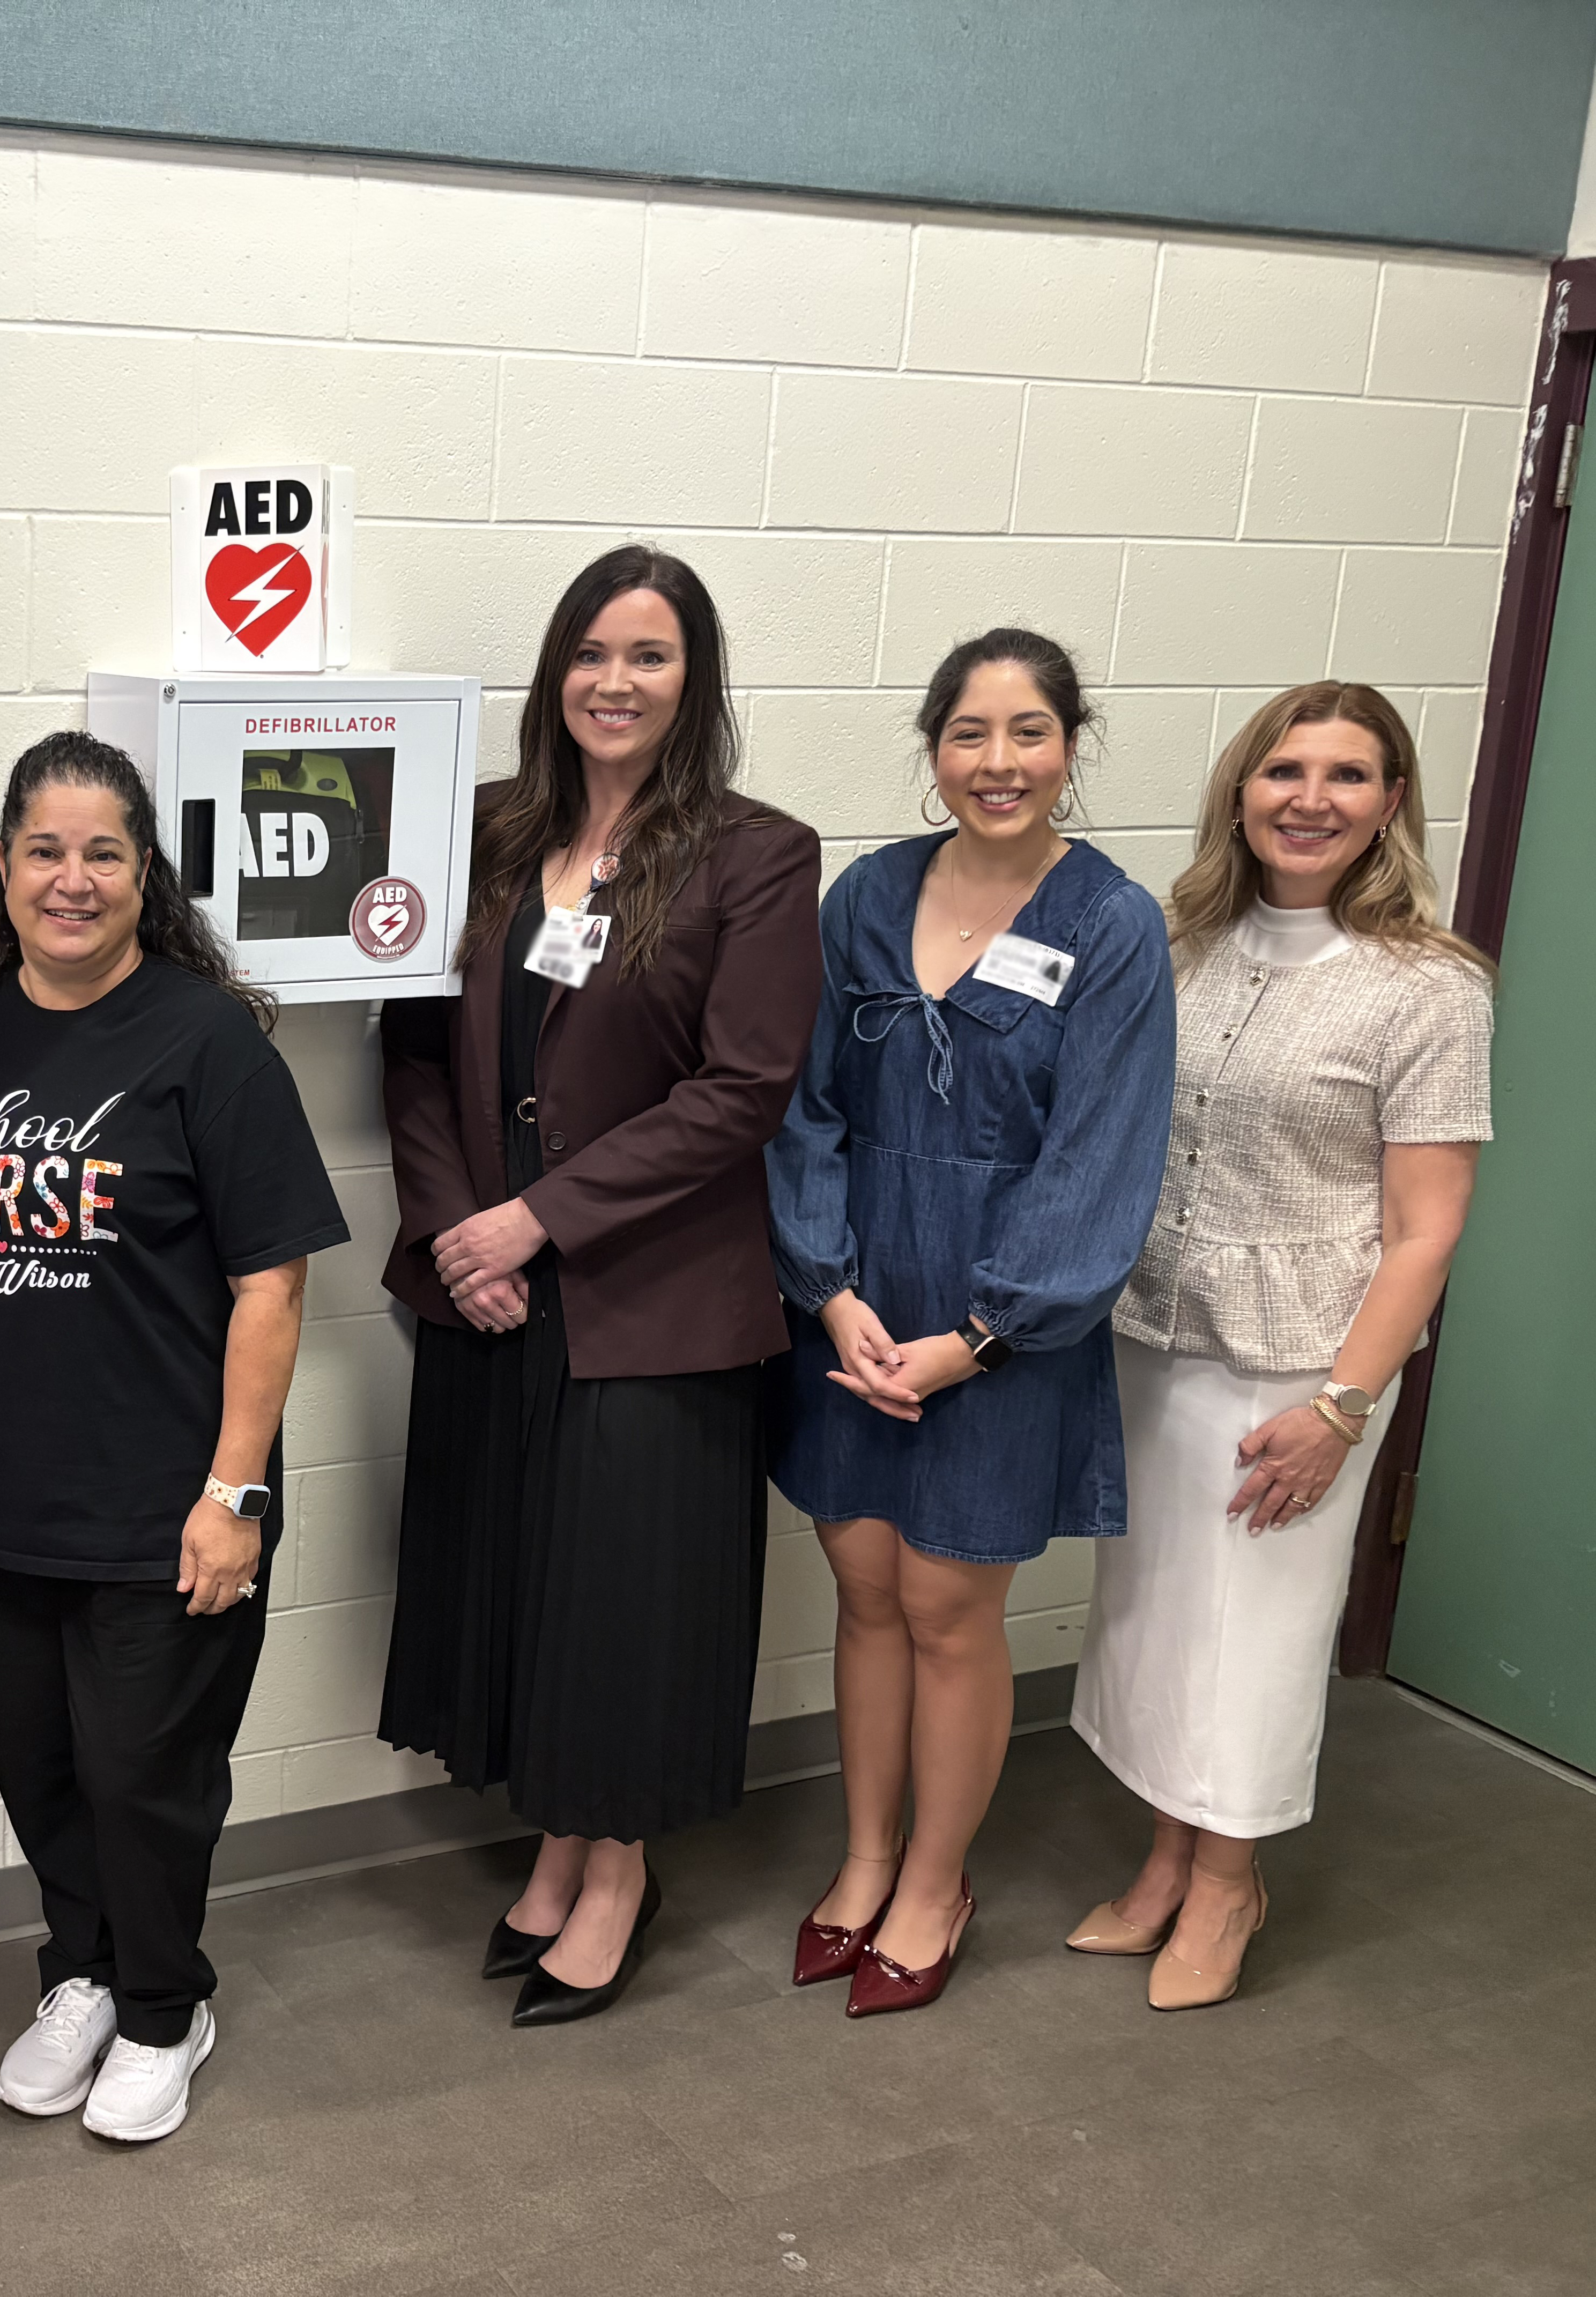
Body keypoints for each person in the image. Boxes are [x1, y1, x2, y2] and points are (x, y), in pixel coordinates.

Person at [378, 546, 824, 2025]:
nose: (614, 682)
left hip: (655, 1296)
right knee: (534, 1591)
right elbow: (418, 1045)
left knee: (626, 1602)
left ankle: (617, 1868)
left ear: (693, 681)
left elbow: (741, 1090)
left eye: (648, 655)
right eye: (591, 651)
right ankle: (560, 1836)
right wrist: (462, 1232)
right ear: (554, 671)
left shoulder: (756, 856)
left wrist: (541, 1222)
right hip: (493, 1289)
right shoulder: (491, 831)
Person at [0, 730, 349, 2144]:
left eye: (105, 851)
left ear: (143, 871)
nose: (74, 877)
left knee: (147, 1779)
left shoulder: (207, 1039)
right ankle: (83, 1972)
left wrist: (237, 1488)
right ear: (6, 862)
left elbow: (273, 1280)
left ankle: (165, 2005)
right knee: (42, 1768)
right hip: (0, 1496)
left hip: (166, 1498)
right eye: (47, 847)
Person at [766, 629, 1175, 2017]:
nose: (999, 763)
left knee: (949, 1603)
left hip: (1002, 1322)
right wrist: (828, 1288)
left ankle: (938, 1878)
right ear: (934, 750)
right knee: (864, 1580)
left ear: (1072, 746)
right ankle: (866, 1853)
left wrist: (983, 1333)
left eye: (1031, 732)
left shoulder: (1112, 924)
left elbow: (1101, 1157)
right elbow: (807, 1107)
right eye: (970, 734)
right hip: (857, 1305)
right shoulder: (867, 897)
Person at [1067, 685, 1490, 2009]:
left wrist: (1345, 1408)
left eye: (1349, 775)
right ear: (1240, 790)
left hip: (1300, 1365)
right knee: (1150, 1616)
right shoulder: (1177, 942)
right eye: (1284, 770)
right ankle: (1165, 1859)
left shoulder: (1431, 985)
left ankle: (1231, 1879)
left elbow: (1427, 1230)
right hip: (1152, 1331)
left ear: (1391, 803)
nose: (1310, 799)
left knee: (1256, 1629)